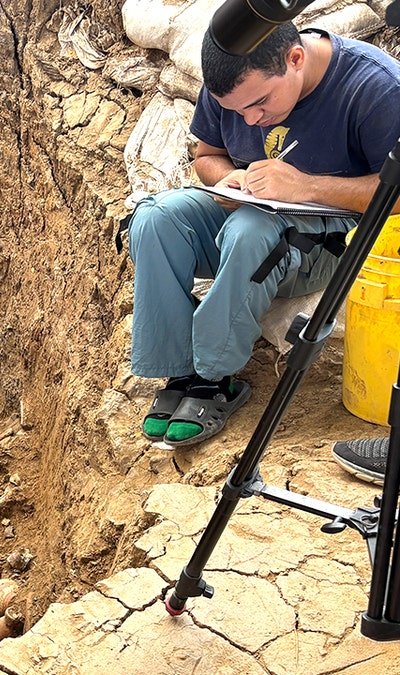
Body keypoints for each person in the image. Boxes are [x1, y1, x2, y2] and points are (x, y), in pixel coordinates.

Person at [125, 23, 400, 447]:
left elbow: (397, 194)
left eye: (259, 104)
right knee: (156, 219)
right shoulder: (234, 83)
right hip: (251, 212)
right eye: (236, 112)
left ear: (295, 59)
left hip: (329, 240)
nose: (250, 120)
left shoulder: (375, 87)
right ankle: (179, 367)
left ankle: (215, 378)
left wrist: (307, 186)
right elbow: (207, 156)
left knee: (250, 230)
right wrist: (230, 177)